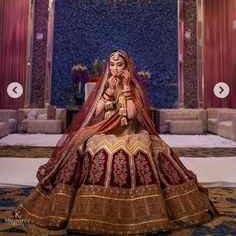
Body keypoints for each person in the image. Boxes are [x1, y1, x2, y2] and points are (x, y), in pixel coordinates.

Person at [14, 50, 217, 235]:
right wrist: (109, 91)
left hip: (131, 132)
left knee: (139, 151)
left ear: (127, 66)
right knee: (84, 145)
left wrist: (126, 88)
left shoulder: (134, 87)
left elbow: (130, 114)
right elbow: (96, 112)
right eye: (112, 64)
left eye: (119, 64)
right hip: (106, 130)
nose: (115, 68)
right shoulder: (107, 85)